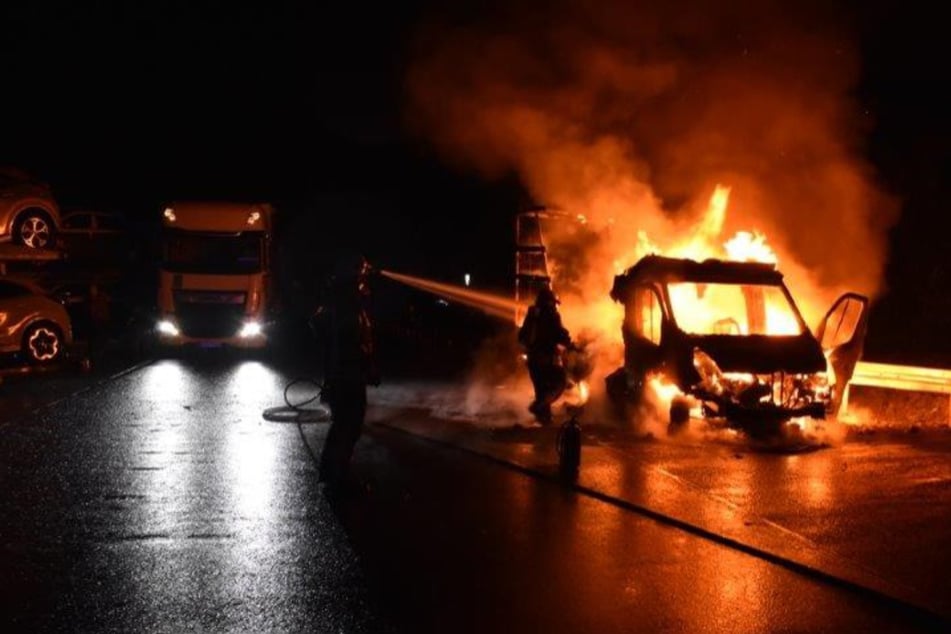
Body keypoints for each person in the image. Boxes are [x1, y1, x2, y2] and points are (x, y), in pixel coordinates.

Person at [316, 252, 380, 492]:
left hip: (342, 376)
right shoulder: (348, 306)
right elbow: (352, 343)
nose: (365, 276)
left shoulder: (344, 301)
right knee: (348, 425)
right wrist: (368, 366)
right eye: (362, 271)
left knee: (343, 426)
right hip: (347, 377)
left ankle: (331, 473)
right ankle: (337, 478)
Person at [518, 286, 573, 424]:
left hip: (533, 361)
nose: (555, 306)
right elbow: (559, 333)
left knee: (541, 390)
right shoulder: (551, 315)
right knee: (559, 383)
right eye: (554, 303)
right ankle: (538, 407)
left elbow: (523, 336)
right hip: (546, 360)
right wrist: (569, 342)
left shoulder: (532, 314)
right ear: (549, 302)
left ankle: (544, 422)